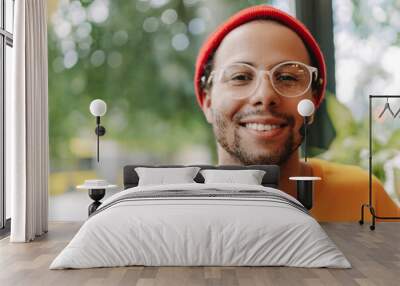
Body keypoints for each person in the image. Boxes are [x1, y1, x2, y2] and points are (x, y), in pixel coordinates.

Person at [193, 5, 400, 221]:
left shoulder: (362, 197)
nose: (265, 96)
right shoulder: (174, 215)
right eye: (240, 77)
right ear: (207, 101)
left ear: (314, 100)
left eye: (288, 77)